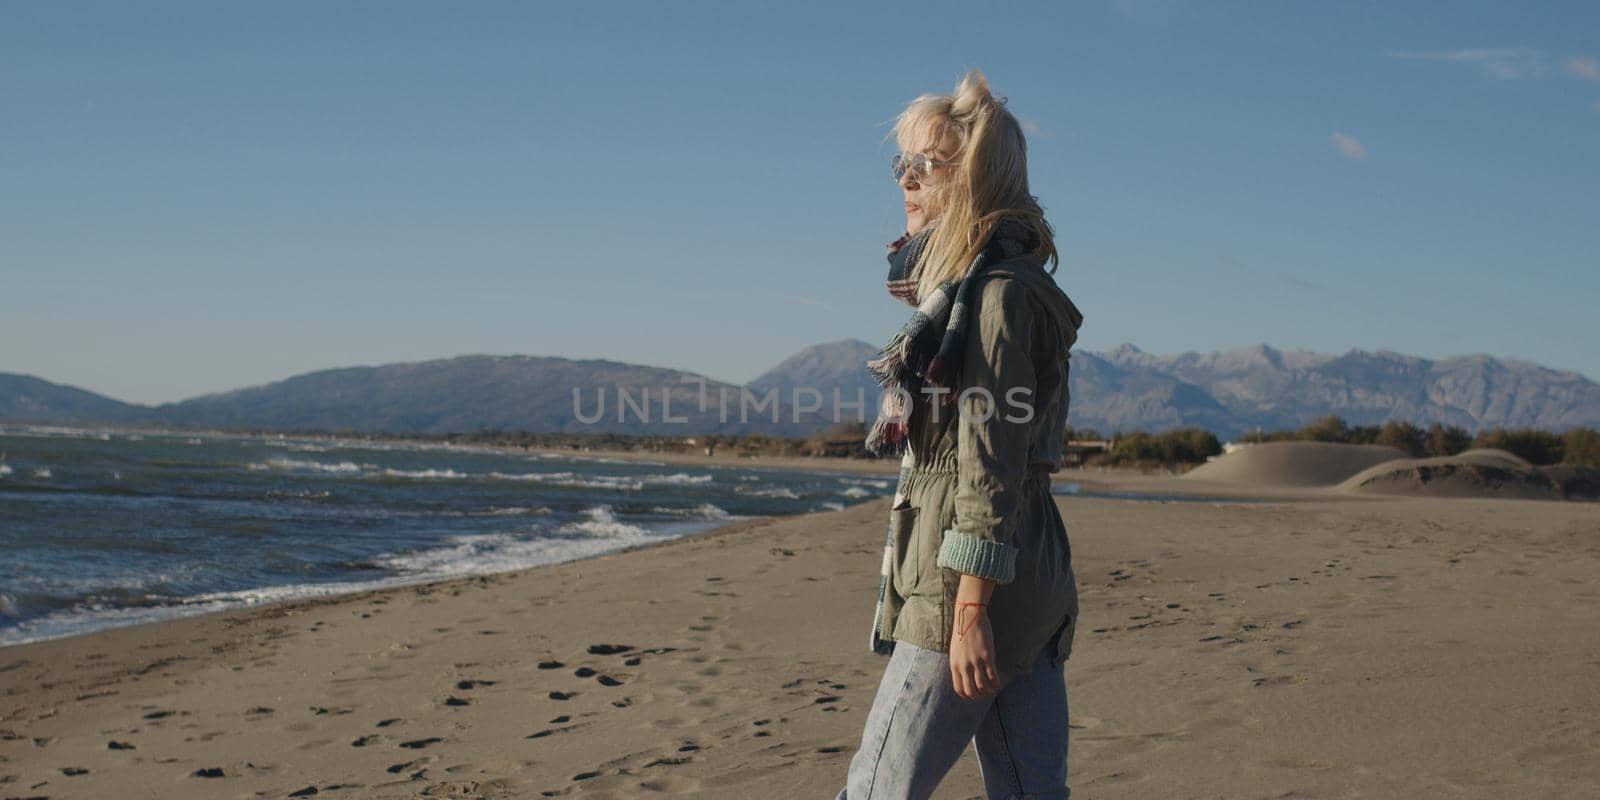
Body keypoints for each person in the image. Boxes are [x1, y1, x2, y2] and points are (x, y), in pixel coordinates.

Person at [836, 69, 1085, 800]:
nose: (908, 182)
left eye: (929, 166)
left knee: (875, 793)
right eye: (903, 165)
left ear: (977, 181)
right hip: (1029, 582)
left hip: (964, 586)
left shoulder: (995, 300)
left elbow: (989, 463)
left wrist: (968, 610)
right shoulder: (990, 290)